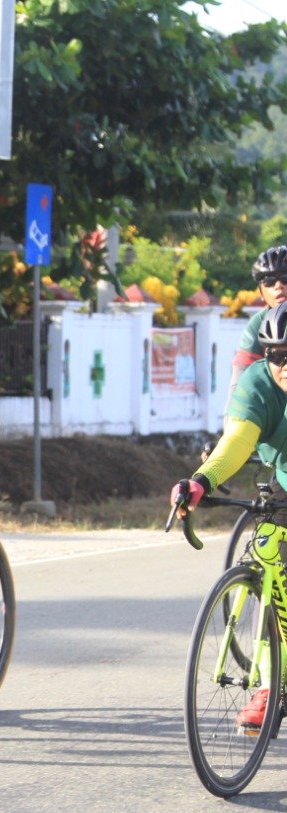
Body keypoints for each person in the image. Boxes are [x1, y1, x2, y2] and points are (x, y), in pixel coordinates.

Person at [173, 299, 287, 734]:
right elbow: (238, 439)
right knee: (271, 555)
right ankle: (272, 686)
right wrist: (201, 481)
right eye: (277, 355)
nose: (284, 365)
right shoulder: (259, 382)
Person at [225, 246, 287, 412]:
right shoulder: (257, 325)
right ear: (260, 291)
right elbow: (240, 384)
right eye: (269, 281)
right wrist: (232, 420)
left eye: (285, 278)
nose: (278, 286)